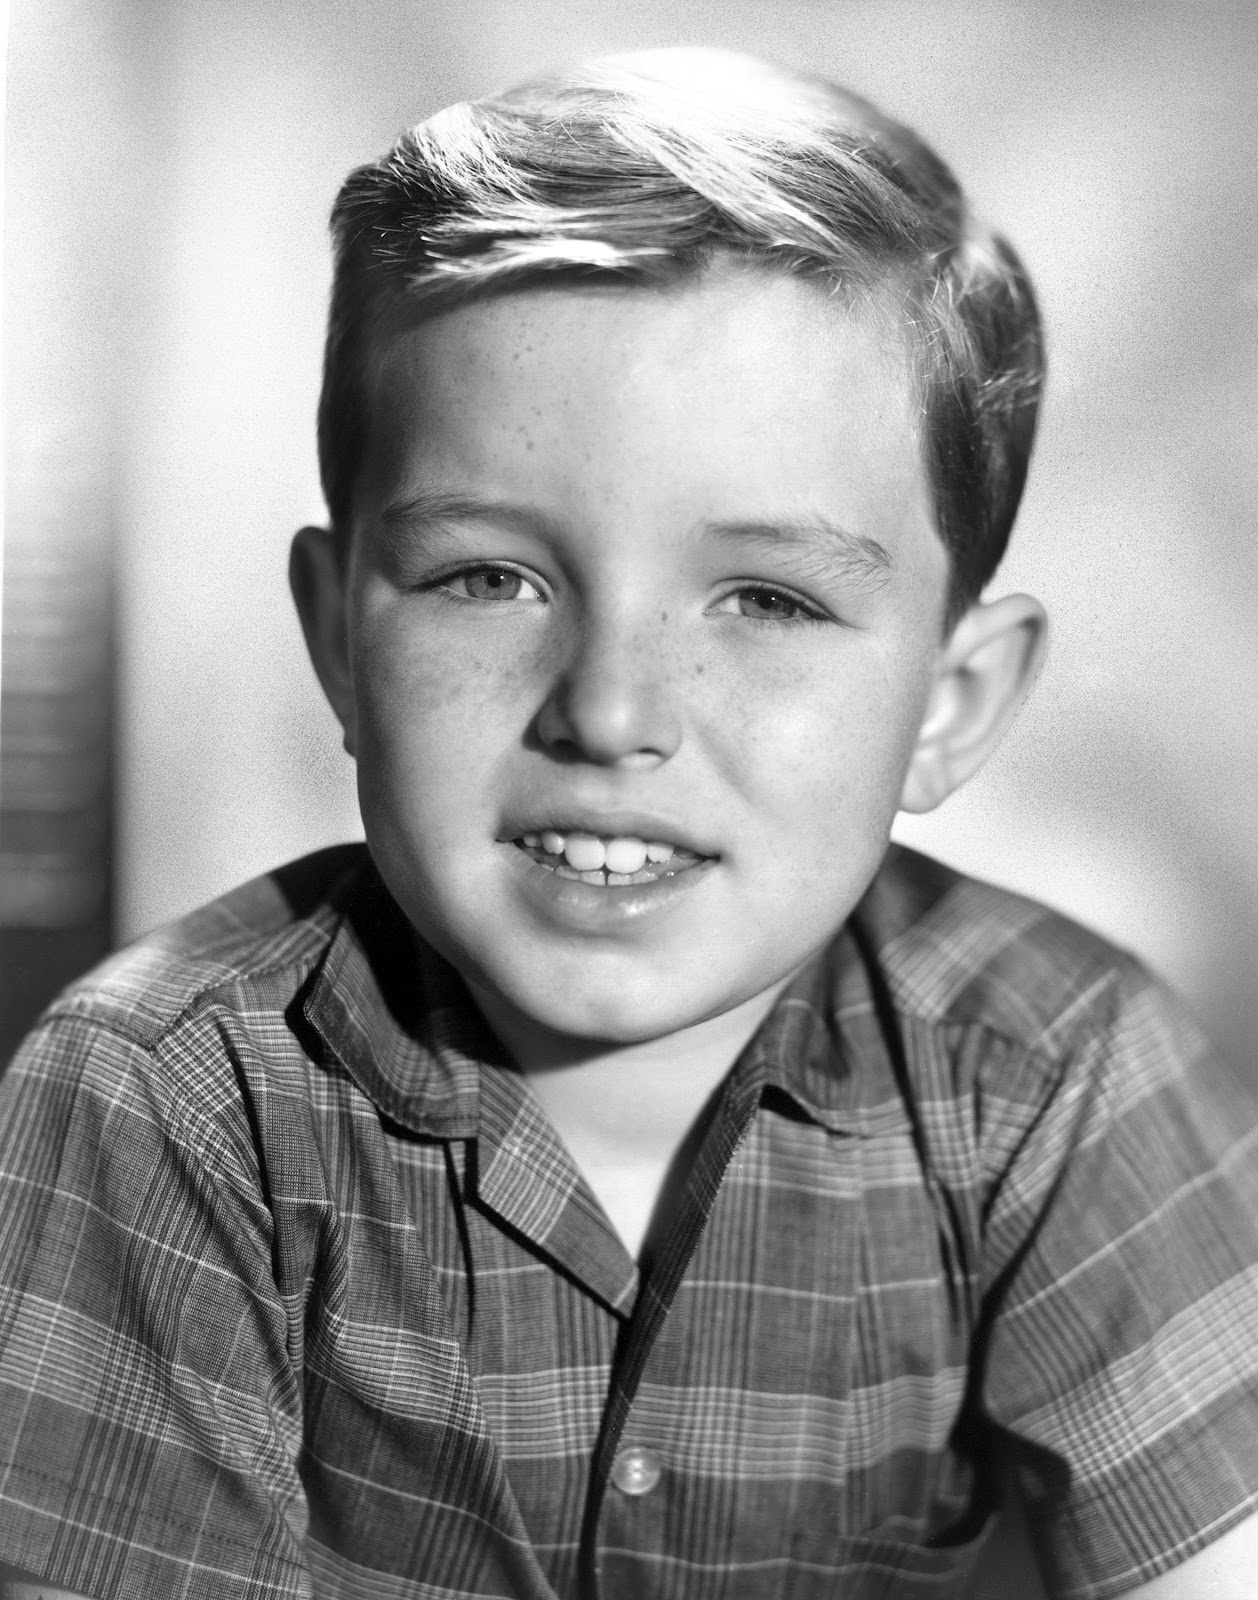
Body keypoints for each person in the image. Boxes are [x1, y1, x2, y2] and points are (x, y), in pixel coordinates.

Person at [1, 47, 1256, 1600]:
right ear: (336, 636)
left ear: (950, 701)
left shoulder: (1058, 1074)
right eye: (487, 576)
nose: (608, 712)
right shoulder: (165, 1101)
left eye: (765, 599)